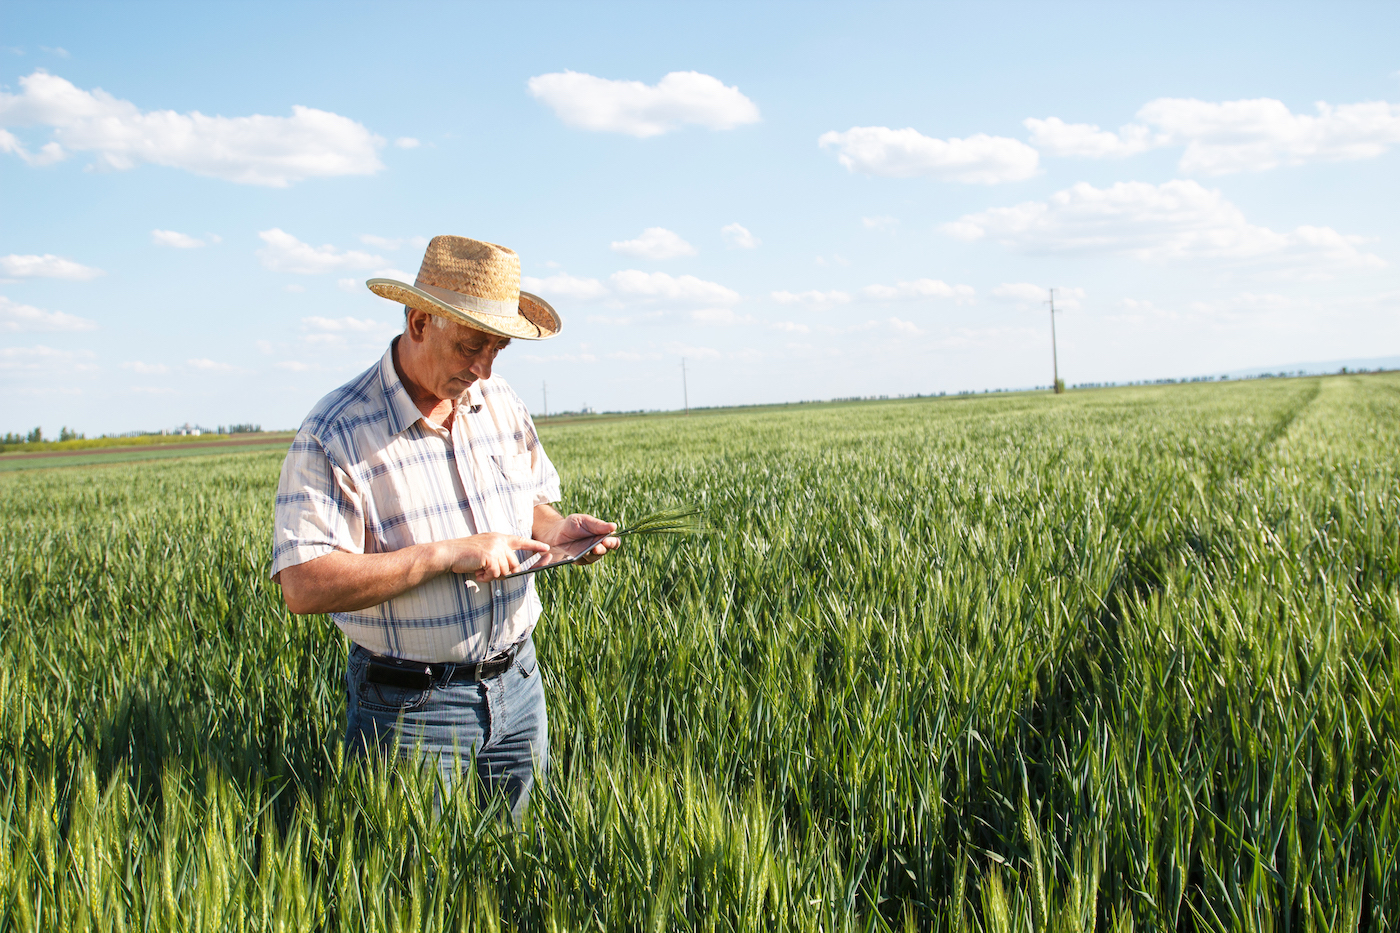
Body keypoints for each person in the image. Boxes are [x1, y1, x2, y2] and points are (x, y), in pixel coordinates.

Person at [270, 235, 618, 819]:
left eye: (498, 349)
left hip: (519, 687)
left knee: (515, 877)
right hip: (411, 712)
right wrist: (443, 555)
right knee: (416, 896)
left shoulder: (499, 401)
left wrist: (557, 531)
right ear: (419, 320)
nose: (482, 368)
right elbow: (303, 584)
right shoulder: (336, 431)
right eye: (470, 345)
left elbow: (531, 503)